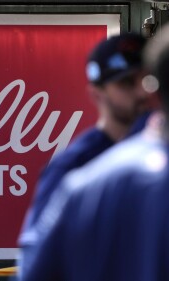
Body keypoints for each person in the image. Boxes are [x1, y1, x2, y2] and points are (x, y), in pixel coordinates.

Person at [18, 17, 169, 281]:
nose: (139, 92)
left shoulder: (84, 185)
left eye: (145, 78)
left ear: (157, 89)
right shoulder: (76, 171)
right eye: (126, 82)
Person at [19, 33, 149, 234]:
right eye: (127, 82)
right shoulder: (74, 166)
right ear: (97, 94)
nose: (143, 92)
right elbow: (38, 256)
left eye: (149, 79)